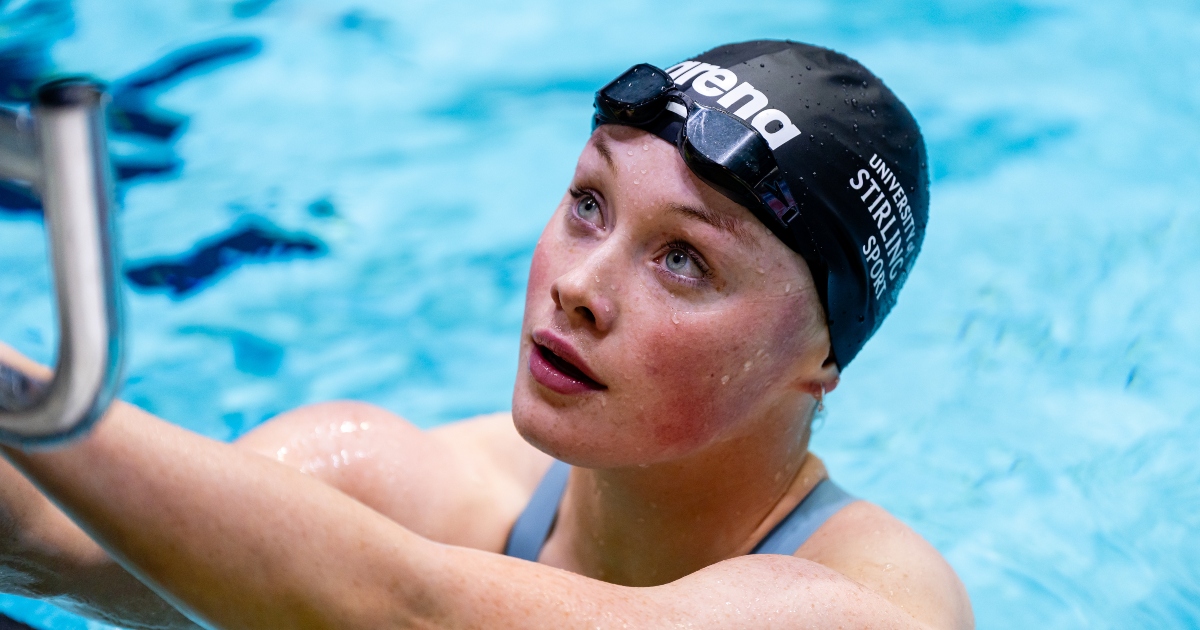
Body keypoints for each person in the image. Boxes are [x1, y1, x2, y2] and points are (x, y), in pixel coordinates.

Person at [0, 40, 973, 629]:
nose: (580, 288)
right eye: (589, 203)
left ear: (821, 358)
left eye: (685, 260)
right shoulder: (430, 485)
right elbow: (72, 548)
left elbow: (406, 612)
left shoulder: (868, 605)